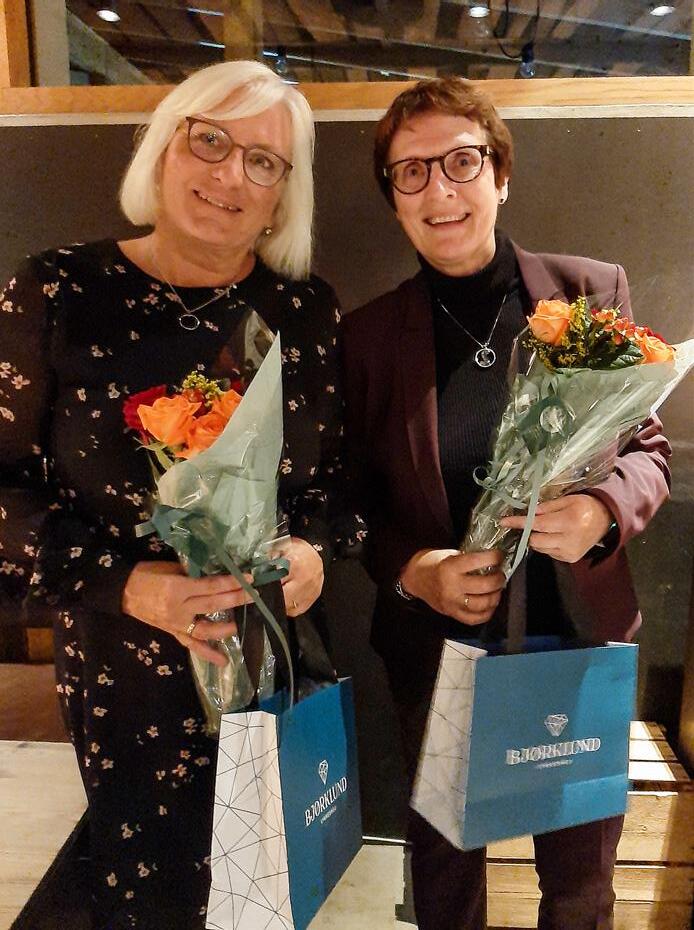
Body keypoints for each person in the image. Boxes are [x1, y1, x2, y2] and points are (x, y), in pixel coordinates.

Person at [0, 60, 357, 930]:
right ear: (163, 148)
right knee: (148, 894)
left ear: (282, 196)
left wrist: (314, 552)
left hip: (271, 661)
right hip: (121, 668)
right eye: (210, 141)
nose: (230, 175)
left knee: (265, 893)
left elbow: (339, 485)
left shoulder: (306, 310)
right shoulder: (57, 291)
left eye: (262, 161)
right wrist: (127, 585)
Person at [341, 77, 671, 930]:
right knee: (446, 882)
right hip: (440, 648)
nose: (439, 190)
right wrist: (417, 570)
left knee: (581, 887)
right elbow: (350, 500)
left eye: (461, 161)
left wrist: (601, 512)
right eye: (411, 172)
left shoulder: (589, 291)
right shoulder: (367, 337)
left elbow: (647, 449)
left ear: (501, 174)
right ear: (393, 198)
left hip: (577, 636)